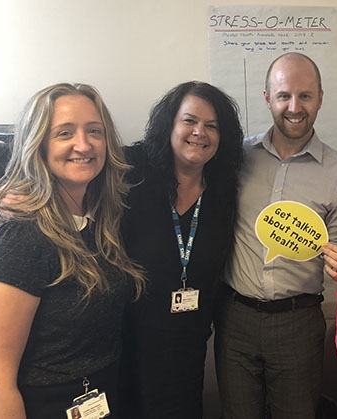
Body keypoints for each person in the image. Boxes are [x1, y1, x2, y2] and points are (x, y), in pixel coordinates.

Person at [0, 83, 145, 418]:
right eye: (65, 133)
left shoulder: (96, 223)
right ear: (38, 145)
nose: (84, 144)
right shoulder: (20, 237)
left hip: (97, 399)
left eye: (94, 131)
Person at [214, 52, 337, 419]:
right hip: (235, 318)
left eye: (305, 96)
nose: (294, 107)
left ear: (320, 98)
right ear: (267, 98)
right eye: (283, 96)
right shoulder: (236, 158)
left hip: (299, 321)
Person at [118, 81, 244, 418]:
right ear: (169, 124)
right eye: (189, 121)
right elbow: (73, 179)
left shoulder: (224, 192)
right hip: (126, 344)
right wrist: (13, 200)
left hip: (187, 346)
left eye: (212, 126)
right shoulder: (131, 171)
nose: (199, 132)